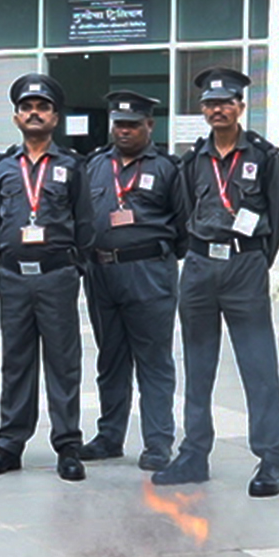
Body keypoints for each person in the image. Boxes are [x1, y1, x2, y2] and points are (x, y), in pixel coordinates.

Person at [153, 67, 279, 498]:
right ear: (203, 110)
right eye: (210, 104)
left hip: (244, 266)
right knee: (198, 366)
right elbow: (185, 211)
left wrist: (256, 260)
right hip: (199, 268)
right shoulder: (193, 159)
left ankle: (270, 459)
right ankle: (194, 454)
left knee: (258, 365)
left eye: (225, 103)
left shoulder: (264, 157)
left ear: (240, 107)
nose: (218, 110)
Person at [0, 73, 94, 481]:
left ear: (55, 118)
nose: (34, 113)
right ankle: (10, 443)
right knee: (16, 361)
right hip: (14, 278)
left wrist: (71, 266)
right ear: (16, 117)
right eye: (26, 107)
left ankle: (68, 445)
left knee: (63, 362)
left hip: (57, 276)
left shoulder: (71, 166)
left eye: (43, 107)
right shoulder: (3, 167)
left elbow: (85, 223)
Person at [79, 90, 188, 472]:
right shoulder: (95, 164)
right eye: (119, 124)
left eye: (132, 125)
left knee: (153, 361)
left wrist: (157, 256)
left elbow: (184, 224)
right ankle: (109, 437)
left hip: (148, 274)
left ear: (149, 125)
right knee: (110, 359)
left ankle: (158, 442)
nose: (124, 131)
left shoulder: (168, 168)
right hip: (102, 272)